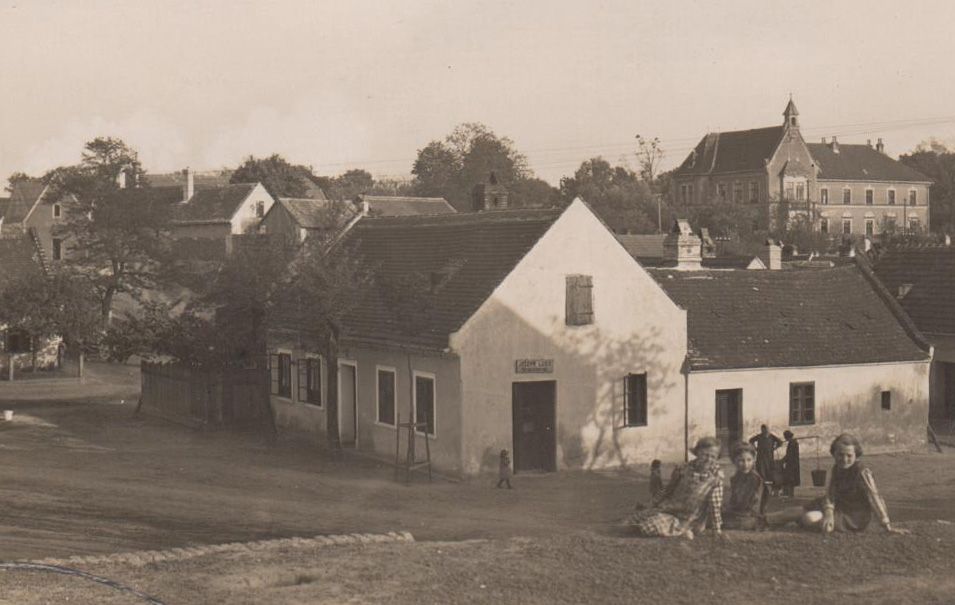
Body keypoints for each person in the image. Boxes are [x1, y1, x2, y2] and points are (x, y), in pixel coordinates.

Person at [765, 433, 908, 534]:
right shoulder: (836, 468)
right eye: (840, 455)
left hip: (853, 516)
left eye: (849, 455)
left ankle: (798, 521)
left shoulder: (862, 471)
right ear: (834, 454)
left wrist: (886, 524)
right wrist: (829, 513)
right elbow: (830, 494)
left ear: (856, 455)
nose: (844, 459)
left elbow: (874, 497)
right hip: (836, 506)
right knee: (794, 511)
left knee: (808, 518)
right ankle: (763, 520)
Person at [626, 437, 724, 538]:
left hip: (690, 518)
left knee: (648, 527)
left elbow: (715, 504)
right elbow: (667, 490)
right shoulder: (683, 469)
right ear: (697, 453)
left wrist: (717, 529)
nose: (708, 459)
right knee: (633, 520)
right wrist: (653, 504)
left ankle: (683, 531)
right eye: (705, 455)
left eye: (713, 456)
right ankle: (667, 526)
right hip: (670, 509)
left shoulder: (716, 477)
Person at [722, 442, 766, 530]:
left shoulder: (753, 478)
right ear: (734, 461)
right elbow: (734, 500)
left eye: (749, 460)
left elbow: (744, 504)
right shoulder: (736, 477)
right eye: (741, 460)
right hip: (738, 514)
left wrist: (727, 507)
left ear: (754, 459)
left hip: (748, 516)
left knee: (715, 520)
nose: (746, 464)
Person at [749, 424, 782, 492]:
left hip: (769, 457)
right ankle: (761, 486)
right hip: (761, 457)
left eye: (766, 429)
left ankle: (770, 487)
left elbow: (780, 442)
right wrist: (755, 448)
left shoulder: (771, 436)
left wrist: (775, 448)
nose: (764, 431)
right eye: (763, 430)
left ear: (768, 429)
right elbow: (751, 440)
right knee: (761, 470)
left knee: (769, 471)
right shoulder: (759, 436)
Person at [781, 430, 800, 498]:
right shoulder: (793, 442)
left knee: (791, 478)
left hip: (792, 463)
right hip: (793, 462)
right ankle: (789, 493)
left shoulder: (792, 443)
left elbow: (789, 454)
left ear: (787, 437)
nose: (785, 439)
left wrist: (783, 460)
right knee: (791, 478)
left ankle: (790, 494)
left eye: (785, 437)